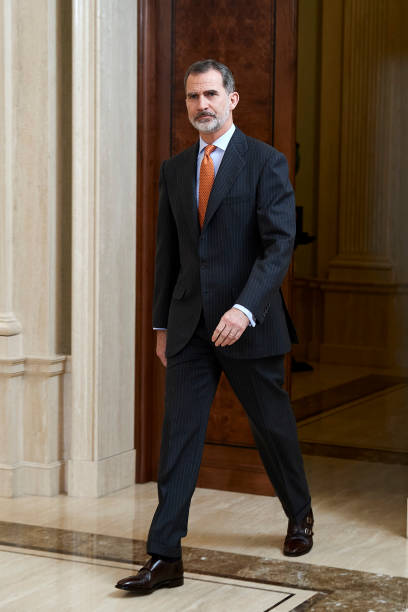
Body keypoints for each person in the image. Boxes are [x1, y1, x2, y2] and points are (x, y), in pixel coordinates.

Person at [116, 59, 313, 595]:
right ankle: (164, 557)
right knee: (178, 439)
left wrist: (244, 308)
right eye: (191, 97)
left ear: (233, 98)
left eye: (209, 94)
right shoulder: (176, 169)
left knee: (272, 428)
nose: (200, 105)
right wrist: (161, 326)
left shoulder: (265, 163)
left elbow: (278, 248)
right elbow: (169, 255)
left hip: (249, 323)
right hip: (188, 330)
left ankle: (299, 514)